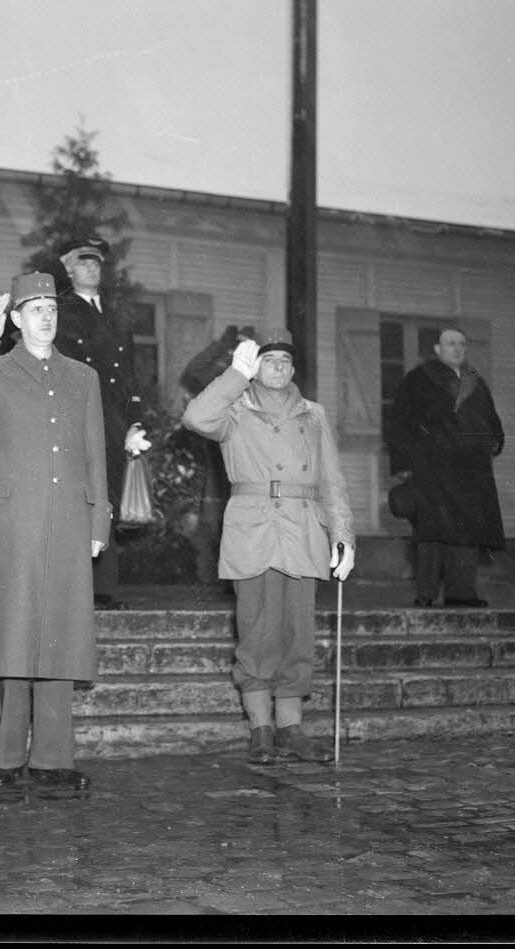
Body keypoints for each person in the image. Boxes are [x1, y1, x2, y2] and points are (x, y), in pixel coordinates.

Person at [0, 272, 112, 796]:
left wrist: (98, 520)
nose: (45, 315)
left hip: (66, 517)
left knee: (60, 633)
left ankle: (54, 758)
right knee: (14, 634)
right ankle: (9, 757)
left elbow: (94, 454)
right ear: (15, 317)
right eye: (33, 308)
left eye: (51, 308)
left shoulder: (82, 377)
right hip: (10, 520)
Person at [182, 328, 355, 765]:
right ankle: (261, 729)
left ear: (293, 369)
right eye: (268, 360)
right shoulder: (235, 408)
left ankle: (291, 727)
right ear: (255, 366)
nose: (277, 367)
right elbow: (196, 418)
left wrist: (343, 536)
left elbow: (332, 481)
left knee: (298, 634)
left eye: (284, 361)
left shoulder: (313, 414)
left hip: (302, 529)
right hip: (253, 528)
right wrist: (234, 375)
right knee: (257, 630)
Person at [51, 237, 150, 607]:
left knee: (106, 500)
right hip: (79, 417)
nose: (92, 268)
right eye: (83, 262)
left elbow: (130, 375)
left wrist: (135, 421)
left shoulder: (115, 315)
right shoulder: (61, 311)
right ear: (68, 268)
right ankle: (74, 588)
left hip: (114, 422)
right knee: (80, 500)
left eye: (97, 263)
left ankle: (103, 588)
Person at [388, 327, 505, 609]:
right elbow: (400, 422)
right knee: (432, 532)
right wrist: (403, 464)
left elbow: (490, 417)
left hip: (471, 470)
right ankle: (426, 594)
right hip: (432, 468)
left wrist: (496, 441)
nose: (458, 349)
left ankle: (461, 593)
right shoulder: (418, 379)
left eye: (462, 344)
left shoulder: (475, 381)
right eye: (451, 344)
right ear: (437, 350)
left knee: (467, 532)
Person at [178, 325, 257, 585]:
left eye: (245, 347)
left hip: (248, 461)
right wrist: (220, 346)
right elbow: (192, 373)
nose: (238, 352)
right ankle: (216, 580)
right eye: (236, 347)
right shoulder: (223, 375)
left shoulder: (259, 379)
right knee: (215, 518)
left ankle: (239, 579)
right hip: (216, 455)